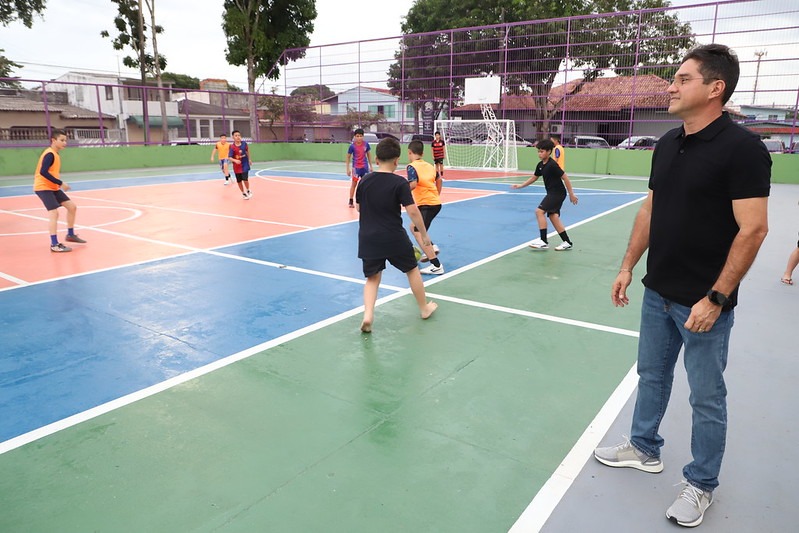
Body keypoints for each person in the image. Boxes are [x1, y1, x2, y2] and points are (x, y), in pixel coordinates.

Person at [593, 44, 771, 528]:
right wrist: (628, 265)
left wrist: (716, 298)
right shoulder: (668, 142)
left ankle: (701, 484)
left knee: (706, 396)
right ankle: (643, 447)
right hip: (658, 291)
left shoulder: (743, 150)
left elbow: (753, 229)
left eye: (681, 78)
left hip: (703, 301)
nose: (670, 86)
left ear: (715, 88)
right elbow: (650, 208)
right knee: (651, 375)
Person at [355, 137, 438, 333]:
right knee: (411, 270)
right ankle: (424, 308)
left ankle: (368, 315)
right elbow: (413, 211)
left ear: (376, 160)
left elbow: (359, 208)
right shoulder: (399, 183)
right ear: (396, 161)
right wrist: (424, 235)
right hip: (393, 236)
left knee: (372, 278)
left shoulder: (364, 180)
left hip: (368, 237)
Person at [510, 138, 578, 250]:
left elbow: (565, 177)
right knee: (553, 217)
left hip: (557, 193)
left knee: (539, 211)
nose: (539, 153)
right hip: (553, 193)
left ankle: (543, 240)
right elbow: (534, 178)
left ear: (549, 152)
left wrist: (572, 194)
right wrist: (520, 185)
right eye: (538, 151)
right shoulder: (540, 165)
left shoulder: (552, 165)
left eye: (542, 151)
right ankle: (567, 242)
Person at [33, 129, 87, 253]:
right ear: (53, 140)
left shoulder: (55, 154)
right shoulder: (50, 154)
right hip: (43, 187)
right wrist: (61, 183)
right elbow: (43, 172)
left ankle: (70, 234)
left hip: (52, 187)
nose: (65, 143)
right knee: (54, 213)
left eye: (65, 140)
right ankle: (54, 244)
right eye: (62, 140)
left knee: (72, 207)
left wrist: (57, 184)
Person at [406, 140, 444, 275]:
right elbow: (439, 179)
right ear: (422, 153)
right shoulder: (429, 166)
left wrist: (400, 191)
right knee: (413, 227)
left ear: (409, 152)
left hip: (427, 204)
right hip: (434, 203)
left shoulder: (411, 167)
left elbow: (413, 184)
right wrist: (436, 194)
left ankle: (436, 265)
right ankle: (432, 246)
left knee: (418, 231)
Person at [346, 128, 373, 207]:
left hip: (365, 167)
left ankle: (366, 200)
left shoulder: (366, 144)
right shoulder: (352, 146)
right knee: (354, 184)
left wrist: (371, 166)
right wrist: (348, 169)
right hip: (356, 168)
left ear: (363, 137)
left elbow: (369, 155)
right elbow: (348, 157)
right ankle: (351, 200)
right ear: (355, 137)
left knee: (366, 184)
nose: (359, 138)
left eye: (361, 136)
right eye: (357, 136)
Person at [228, 130, 252, 199]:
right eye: (236, 135)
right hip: (237, 167)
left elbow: (247, 151)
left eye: (239, 135)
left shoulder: (244, 144)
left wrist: (249, 159)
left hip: (245, 164)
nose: (238, 137)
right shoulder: (232, 147)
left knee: (245, 179)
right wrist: (235, 160)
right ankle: (243, 193)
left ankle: (248, 190)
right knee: (239, 181)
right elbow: (229, 157)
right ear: (233, 137)